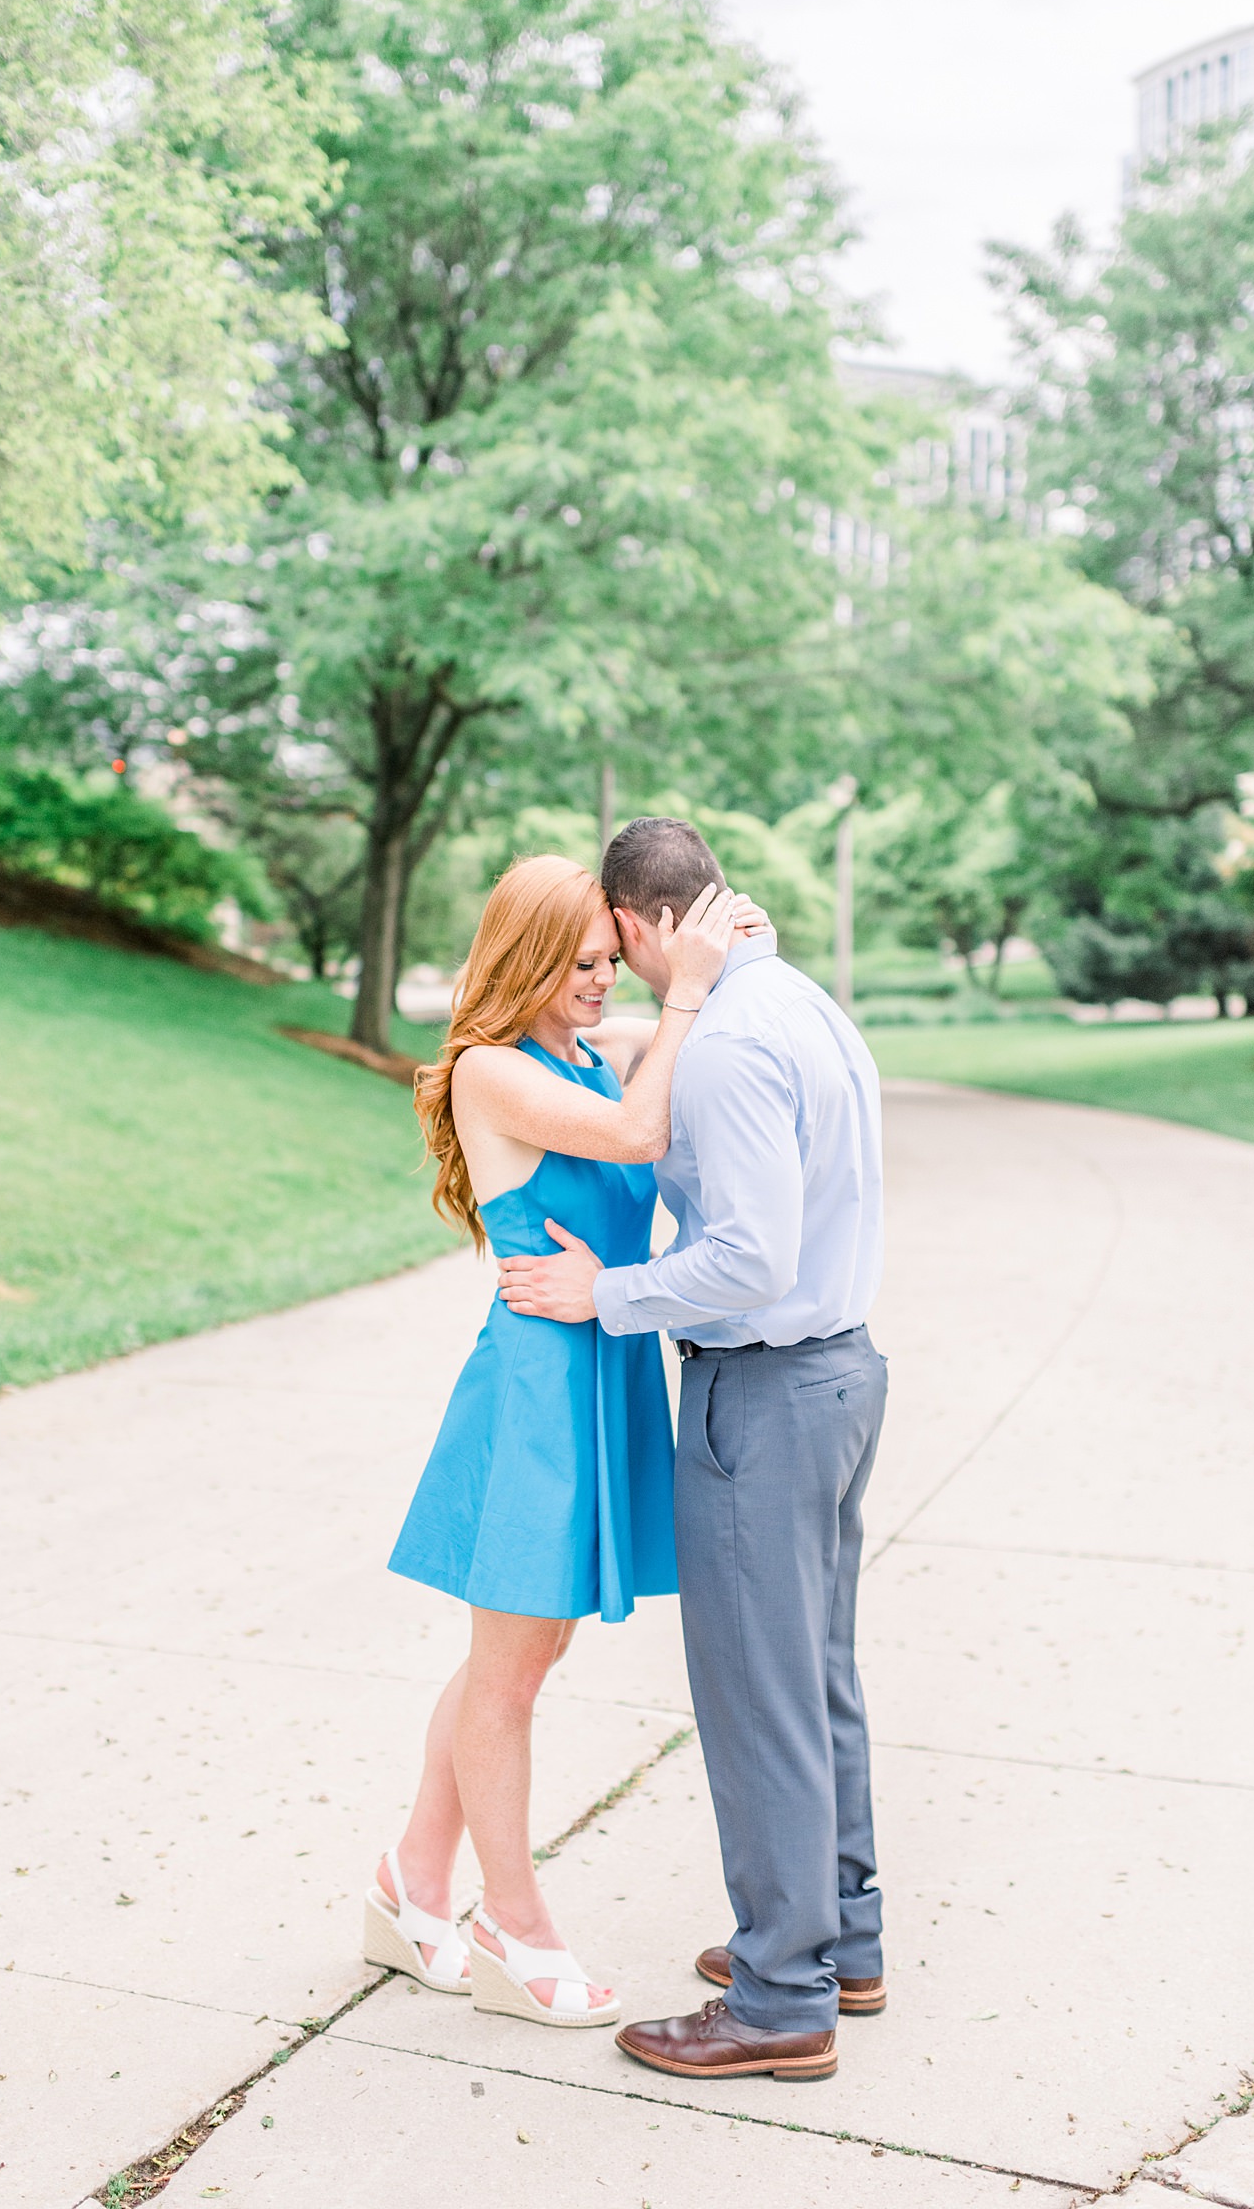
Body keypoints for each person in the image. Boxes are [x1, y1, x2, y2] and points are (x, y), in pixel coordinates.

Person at [497, 815, 886, 2084]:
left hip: (760, 1395)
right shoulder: (807, 1005)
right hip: (840, 1375)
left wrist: (605, 1296)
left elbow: (746, 1257)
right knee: (816, 1678)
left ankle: (781, 1999)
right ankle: (843, 1943)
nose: (607, 966)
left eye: (612, 941)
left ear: (644, 918)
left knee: (757, 1700)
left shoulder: (721, 1043)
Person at [369, 853, 742, 2030]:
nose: (599, 983)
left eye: (606, 960)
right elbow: (640, 1134)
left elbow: (655, 1081)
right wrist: (685, 988)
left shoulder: (580, 1053)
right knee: (514, 1673)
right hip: (538, 1393)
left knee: (519, 1659)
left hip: (600, 1365)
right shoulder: (493, 1071)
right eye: (577, 966)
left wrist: (714, 971)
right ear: (527, 961)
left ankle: (408, 1885)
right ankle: (510, 1923)